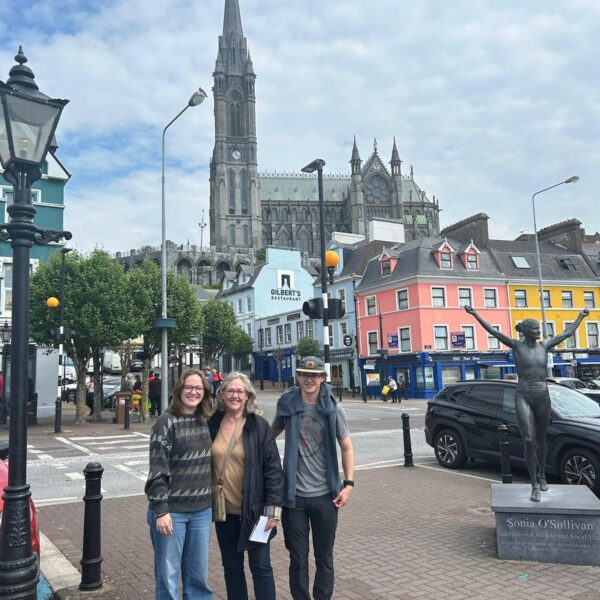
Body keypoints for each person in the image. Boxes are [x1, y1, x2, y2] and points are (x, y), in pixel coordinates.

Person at [465, 305, 589, 502]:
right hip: (523, 394)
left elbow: (567, 332)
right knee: (529, 440)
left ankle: (542, 476)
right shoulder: (516, 346)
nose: (539, 332)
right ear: (525, 331)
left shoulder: (545, 346)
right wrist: (475, 315)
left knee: (541, 439)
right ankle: (533, 484)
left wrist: (580, 317)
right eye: (535, 329)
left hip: (543, 394)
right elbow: (493, 331)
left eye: (539, 329)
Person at [272, 356, 354, 600]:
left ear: (322, 378)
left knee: (324, 556)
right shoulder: (287, 403)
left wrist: (348, 485)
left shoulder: (333, 408)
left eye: (314, 375)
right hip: (293, 497)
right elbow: (268, 435)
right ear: (298, 376)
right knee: (297, 558)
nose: (309, 379)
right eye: (304, 374)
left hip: (325, 496)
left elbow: (347, 447)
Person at [208, 372, 283, 600]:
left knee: (261, 566)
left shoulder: (258, 426)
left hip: (256, 512)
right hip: (225, 512)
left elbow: (273, 469)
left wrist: (273, 511)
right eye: (230, 390)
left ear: (248, 395)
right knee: (231, 567)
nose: (235, 395)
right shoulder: (212, 423)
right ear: (222, 394)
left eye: (240, 391)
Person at [145, 369, 213, 600]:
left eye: (198, 388)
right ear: (179, 390)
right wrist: (161, 511)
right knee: (168, 576)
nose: (193, 392)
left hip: (202, 510)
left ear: (205, 393)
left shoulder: (206, 420)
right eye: (188, 387)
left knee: (198, 578)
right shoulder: (165, 422)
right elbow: (157, 470)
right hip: (172, 512)